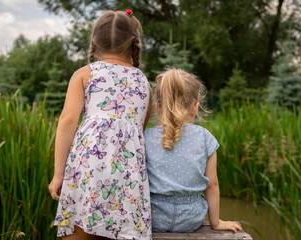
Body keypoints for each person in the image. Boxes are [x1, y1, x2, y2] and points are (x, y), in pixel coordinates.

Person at [48, 9, 153, 240]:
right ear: (133, 46)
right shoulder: (143, 81)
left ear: (94, 46)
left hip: (88, 167)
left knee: (79, 231)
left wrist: (58, 175)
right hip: (128, 174)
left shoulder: (85, 73)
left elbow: (67, 122)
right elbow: (139, 130)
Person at [144, 69, 243, 233]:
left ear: (158, 108)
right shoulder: (205, 138)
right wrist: (216, 222)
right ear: (195, 107)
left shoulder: (146, 138)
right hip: (190, 219)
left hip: (154, 217)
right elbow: (212, 185)